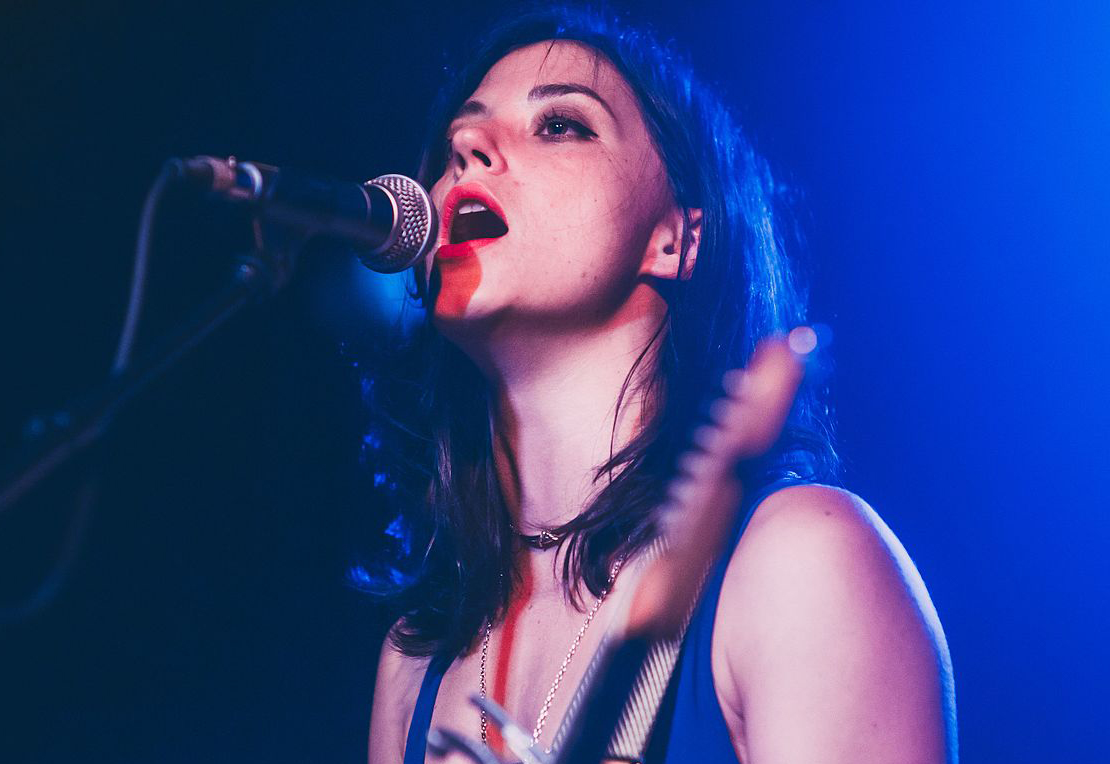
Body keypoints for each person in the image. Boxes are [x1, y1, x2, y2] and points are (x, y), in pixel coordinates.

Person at [362, 6, 956, 763]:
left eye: (560, 125)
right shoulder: (415, 660)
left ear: (677, 238)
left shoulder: (802, 561)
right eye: (460, 137)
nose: (466, 147)